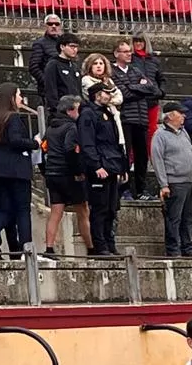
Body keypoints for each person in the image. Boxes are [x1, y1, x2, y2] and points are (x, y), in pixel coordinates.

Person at [0, 83, 36, 258]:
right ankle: (26, 249)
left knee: (5, 209)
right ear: (11, 97)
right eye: (19, 95)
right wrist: (35, 143)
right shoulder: (12, 118)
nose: (21, 99)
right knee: (22, 210)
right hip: (16, 170)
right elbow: (16, 141)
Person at [79, 83, 126, 257]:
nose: (109, 96)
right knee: (100, 208)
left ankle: (110, 243)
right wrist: (96, 165)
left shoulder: (108, 113)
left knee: (111, 208)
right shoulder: (88, 115)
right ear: (97, 95)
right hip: (100, 167)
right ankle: (100, 246)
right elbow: (88, 143)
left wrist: (122, 166)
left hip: (112, 166)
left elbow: (115, 143)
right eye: (106, 93)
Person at [41, 95, 90, 260]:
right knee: (83, 210)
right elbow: (70, 149)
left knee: (56, 211)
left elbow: (43, 148)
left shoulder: (50, 128)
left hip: (52, 173)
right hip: (67, 174)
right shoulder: (71, 128)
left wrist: (45, 169)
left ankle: (49, 248)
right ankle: (91, 247)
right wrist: (78, 171)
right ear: (70, 111)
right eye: (77, 109)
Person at [111, 39, 160, 199]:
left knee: (142, 156)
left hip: (141, 118)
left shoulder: (136, 70)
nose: (129, 54)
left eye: (129, 51)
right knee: (124, 154)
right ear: (116, 53)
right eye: (125, 51)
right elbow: (122, 94)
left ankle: (141, 190)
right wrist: (140, 88)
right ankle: (123, 188)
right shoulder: (112, 71)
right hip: (125, 118)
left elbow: (152, 88)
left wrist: (135, 88)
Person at [152, 101, 192, 258]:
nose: (183, 116)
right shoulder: (160, 135)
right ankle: (173, 249)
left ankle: (188, 247)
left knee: (188, 218)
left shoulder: (184, 132)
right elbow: (157, 160)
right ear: (170, 116)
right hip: (174, 182)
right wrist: (163, 184)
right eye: (180, 113)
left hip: (189, 181)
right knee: (174, 218)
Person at [26, 14, 63, 103]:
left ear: (60, 26)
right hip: (48, 91)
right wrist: (47, 82)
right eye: (50, 24)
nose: (54, 26)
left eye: (56, 24)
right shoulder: (40, 43)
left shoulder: (64, 42)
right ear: (45, 26)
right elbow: (34, 66)